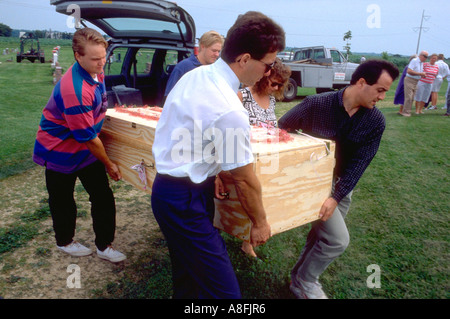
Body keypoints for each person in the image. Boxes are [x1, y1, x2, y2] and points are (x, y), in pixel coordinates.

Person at [151, 11, 285, 299]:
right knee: (225, 295)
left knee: (187, 274)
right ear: (245, 59)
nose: (269, 73)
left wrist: (213, 170)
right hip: (183, 200)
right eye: (268, 65)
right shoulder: (229, 109)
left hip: (172, 191)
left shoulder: (196, 75)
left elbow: (193, 134)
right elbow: (246, 180)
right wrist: (260, 223)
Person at [278, 60, 399, 299]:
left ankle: (298, 279)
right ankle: (306, 280)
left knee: (321, 236)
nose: (383, 97)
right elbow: (281, 129)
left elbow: (359, 164)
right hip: (311, 182)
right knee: (337, 240)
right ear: (362, 83)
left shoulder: (375, 121)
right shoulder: (316, 104)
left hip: (342, 186)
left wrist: (336, 196)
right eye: (380, 90)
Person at [32, 28, 126, 263]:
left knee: (102, 196)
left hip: (84, 147)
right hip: (58, 150)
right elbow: (88, 138)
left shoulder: (97, 71)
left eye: (103, 57)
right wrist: (109, 164)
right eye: (95, 59)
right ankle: (65, 241)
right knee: (62, 199)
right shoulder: (74, 90)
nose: (101, 63)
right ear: (77, 56)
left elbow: (97, 112)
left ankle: (104, 246)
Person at [232, 58, 291, 257]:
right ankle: (245, 240)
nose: (275, 88)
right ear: (262, 78)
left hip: (267, 157)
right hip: (245, 158)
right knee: (248, 196)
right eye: (273, 82)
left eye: (280, 85)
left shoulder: (272, 100)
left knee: (263, 197)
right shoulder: (243, 95)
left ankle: (250, 236)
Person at [164, 30, 224, 97]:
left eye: (218, 51)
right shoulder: (183, 67)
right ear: (202, 46)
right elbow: (169, 96)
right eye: (214, 50)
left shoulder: (216, 71)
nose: (217, 54)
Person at [400, 51, 428, 117]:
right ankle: (405, 112)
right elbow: (409, 71)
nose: (426, 58)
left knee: (412, 97)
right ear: (421, 55)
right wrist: (420, 74)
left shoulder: (421, 63)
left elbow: (417, 72)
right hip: (409, 80)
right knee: (408, 97)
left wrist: (422, 75)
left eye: (427, 57)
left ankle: (408, 111)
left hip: (416, 81)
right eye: (425, 56)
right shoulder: (414, 61)